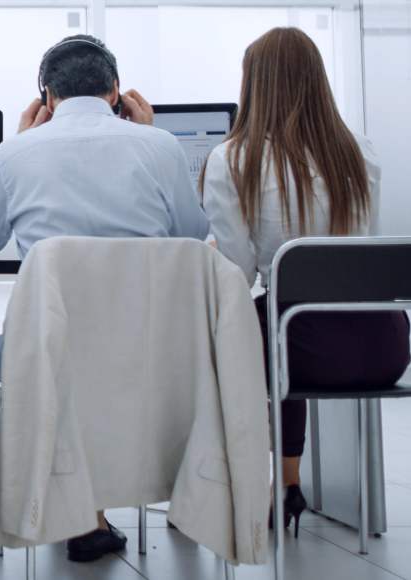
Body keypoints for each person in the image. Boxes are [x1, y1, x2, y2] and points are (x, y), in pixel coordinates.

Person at [0, 34, 209, 562]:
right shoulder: (159, 147)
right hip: (148, 353)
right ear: (116, 91)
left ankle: (65, 496)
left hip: (52, 352)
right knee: (101, 369)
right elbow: (192, 232)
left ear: (45, 97)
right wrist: (151, 138)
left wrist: (17, 144)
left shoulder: (15, 152)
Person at [202, 27, 410, 535]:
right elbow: (365, 247)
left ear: (256, 85)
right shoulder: (360, 153)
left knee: (236, 329)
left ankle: (221, 487)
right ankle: (289, 483)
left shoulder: (233, 159)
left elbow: (238, 272)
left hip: (295, 348)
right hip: (382, 345)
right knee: (287, 321)